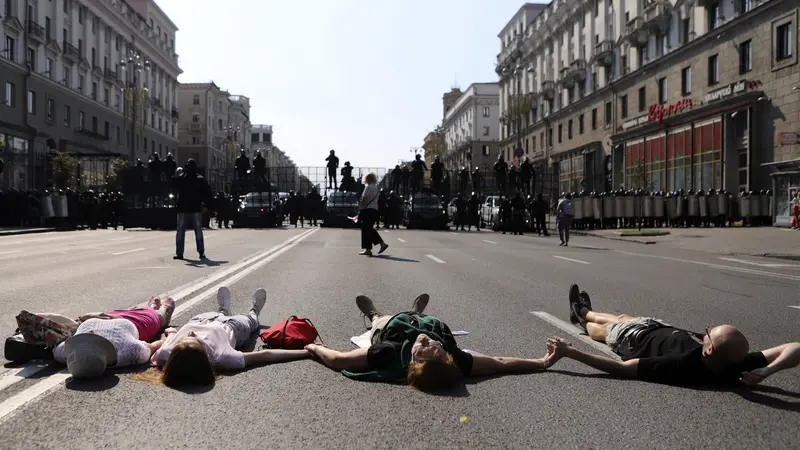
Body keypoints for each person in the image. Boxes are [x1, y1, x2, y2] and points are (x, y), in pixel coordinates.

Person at [547, 284, 800, 386]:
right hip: (659, 327)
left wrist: (571, 352)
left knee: (603, 330)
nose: (706, 332)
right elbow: (795, 346)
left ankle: (581, 314)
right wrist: (768, 371)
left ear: (709, 350)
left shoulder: (680, 365)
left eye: (709, 334)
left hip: (635, 339)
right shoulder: (737, 364)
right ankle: (584, 310)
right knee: (622, 316)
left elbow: (621, 368)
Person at [305, 294, 557, 392]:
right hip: (426, 321)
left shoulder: (387, 354)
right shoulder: (454, 358)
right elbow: (500, 363)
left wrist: (313, 347)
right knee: (428, 323)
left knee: (379, 320)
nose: (427, 343)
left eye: (422, 351)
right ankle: (417, 311)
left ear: (411, 362)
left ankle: (372, 313)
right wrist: (542, 362)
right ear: (444, 355)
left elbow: (337, 360)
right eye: (434, 348)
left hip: (391, 326)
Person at [147, 287, 309, 388]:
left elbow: (165, 345)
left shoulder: (165, 354)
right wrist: (306, 352)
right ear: (205, 355)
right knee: (250, 321)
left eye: (183, 340)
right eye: (195, 339)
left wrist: (172, 334)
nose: (190, 333)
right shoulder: (222, 357)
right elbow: (265, 356)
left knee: (219, 312)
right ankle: (254, 311)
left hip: (200, 319)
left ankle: (223, 309)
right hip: (233, 328)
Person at [54, 297, 176, 378]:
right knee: (157, 317)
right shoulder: (130, 351)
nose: (90, 331)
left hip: (108, 315)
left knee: (134, 310)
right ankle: (161, 311)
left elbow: (54, 344)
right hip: (139, 323)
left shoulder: (65, 353)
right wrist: (170, 335)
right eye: (90, 340)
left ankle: (151, 307)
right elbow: (153, 346)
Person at [172, 159, 212, 260]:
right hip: (194, 208)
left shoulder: (182, 178)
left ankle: (180, 252)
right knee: (197, 231)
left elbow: (173, 188)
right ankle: (201, 252)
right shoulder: (199, 179)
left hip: (184, 208)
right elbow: (207, 194)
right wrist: (206, 205)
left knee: (181, 231)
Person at [357, 173, 388, 256]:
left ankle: (381, 244)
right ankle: (368, 249)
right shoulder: (376, 188)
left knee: (367, 229)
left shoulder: (369, 187)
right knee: (367, 229)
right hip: (374, 210)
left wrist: (360, 208)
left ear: (368, 179)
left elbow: (364, 199)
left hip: (368, 210)